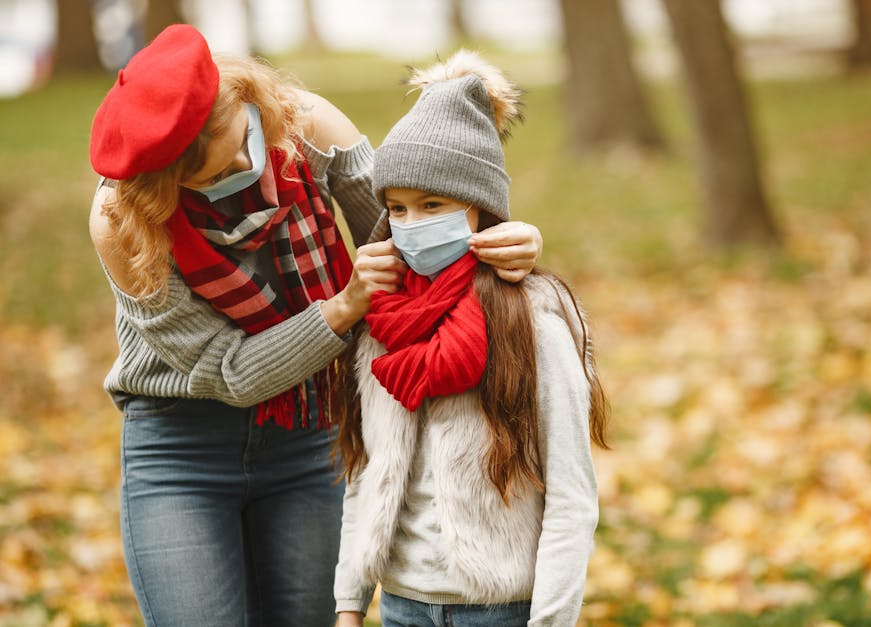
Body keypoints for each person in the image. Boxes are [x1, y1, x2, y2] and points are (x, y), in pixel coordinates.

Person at [87, 25, 543, 627]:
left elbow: (420, 241)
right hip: (181, 445)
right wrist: (343, 307)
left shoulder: (307, 126)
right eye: (217, 174)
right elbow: (228, 371)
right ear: (165, 182)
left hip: (310, 427)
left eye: (240, 138)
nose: (246, 163)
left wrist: (510, 239)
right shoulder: (124, 220)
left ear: (241, 94)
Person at [332, 50, 610, 627]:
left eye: (432, 205)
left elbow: (571, 498)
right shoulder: (382, 321)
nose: (412, 225)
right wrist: (349, 602)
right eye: (398, 209)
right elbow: (367, 471)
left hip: (502, 610)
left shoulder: (530, 319)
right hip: (402, 603)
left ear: (479, 209)